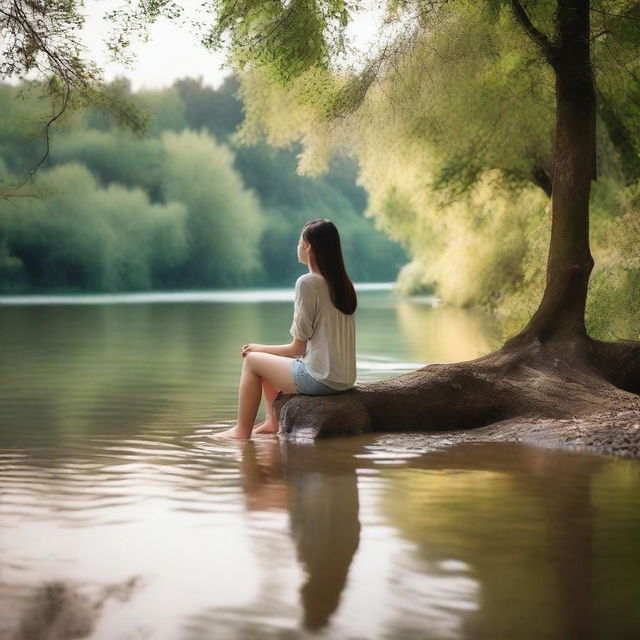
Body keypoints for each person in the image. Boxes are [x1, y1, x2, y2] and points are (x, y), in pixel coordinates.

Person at [212, 218, 357, 439]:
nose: (298, 246)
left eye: (300, 242)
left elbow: (297, 349)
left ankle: (242, 431)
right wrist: (265, 351)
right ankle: (272, 422)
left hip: (322, 379)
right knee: (268, 360)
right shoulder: (343, 284)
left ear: (308, 246)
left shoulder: (308, 283)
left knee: (252, 360)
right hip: (345, 378)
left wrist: (259, 348)